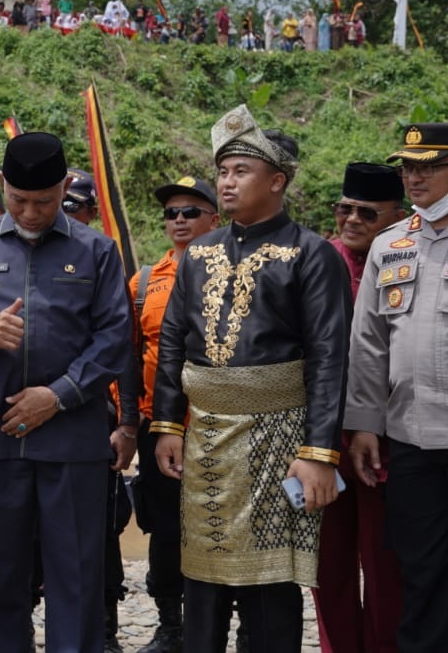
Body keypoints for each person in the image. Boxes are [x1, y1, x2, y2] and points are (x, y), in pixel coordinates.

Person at [152, 105, 351, 653]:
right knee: (204, 572)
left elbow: (331, 357)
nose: (227, 182)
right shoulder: (199, 254)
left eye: (240, 171)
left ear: (277, 181)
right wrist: (168, 423)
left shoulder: (312, 256)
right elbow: (173, 342)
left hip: (280, 435)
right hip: (208, 435)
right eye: (223, 171)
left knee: (269, 583)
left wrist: (318, 452)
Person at [0, 133, 132, 652]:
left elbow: (115, 340)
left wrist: (58, 395)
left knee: (77, 576)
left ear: (65, 188)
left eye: (43, 202)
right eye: (18, 200)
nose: (30, 212)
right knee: (1, 579)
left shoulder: (98, 250)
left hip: (72, 441)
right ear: (3, 186)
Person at [345, 123, 448, 652]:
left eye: (429, 166)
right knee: (422, 580)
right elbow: (368, 345)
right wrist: (363, 425)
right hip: (412, 442)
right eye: (408, 166)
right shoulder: (388, 245)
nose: (414, 177)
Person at [311, 163, 406, 653]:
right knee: (327, 560)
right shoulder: (316, 261)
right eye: (343, 209)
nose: (350, 220)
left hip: (389, 436)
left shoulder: (410, 262)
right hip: (321, 437)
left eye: (366, 214)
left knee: (387, 556)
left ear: (396, 218)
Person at [129, 176, 221, 653]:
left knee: (224, 524)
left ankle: (236, 626)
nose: (179, 220)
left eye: (190, 211)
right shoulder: (146, 281)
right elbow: (127, 355)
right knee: (166, 527)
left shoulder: (235, 272)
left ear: (215, 219)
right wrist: (129, 420)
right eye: (172, 213)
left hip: (223, 425)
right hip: (160, 427)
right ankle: (170, 624)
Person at [59, 170, 138, 653]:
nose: (70, 217)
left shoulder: (102, 259)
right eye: (62, 207)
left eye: (76, 208)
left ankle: (103, 629)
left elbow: (123, 350)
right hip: (36, 415)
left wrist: (128, 422)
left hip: (94, 415)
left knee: (101, 529)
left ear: (92, 211)